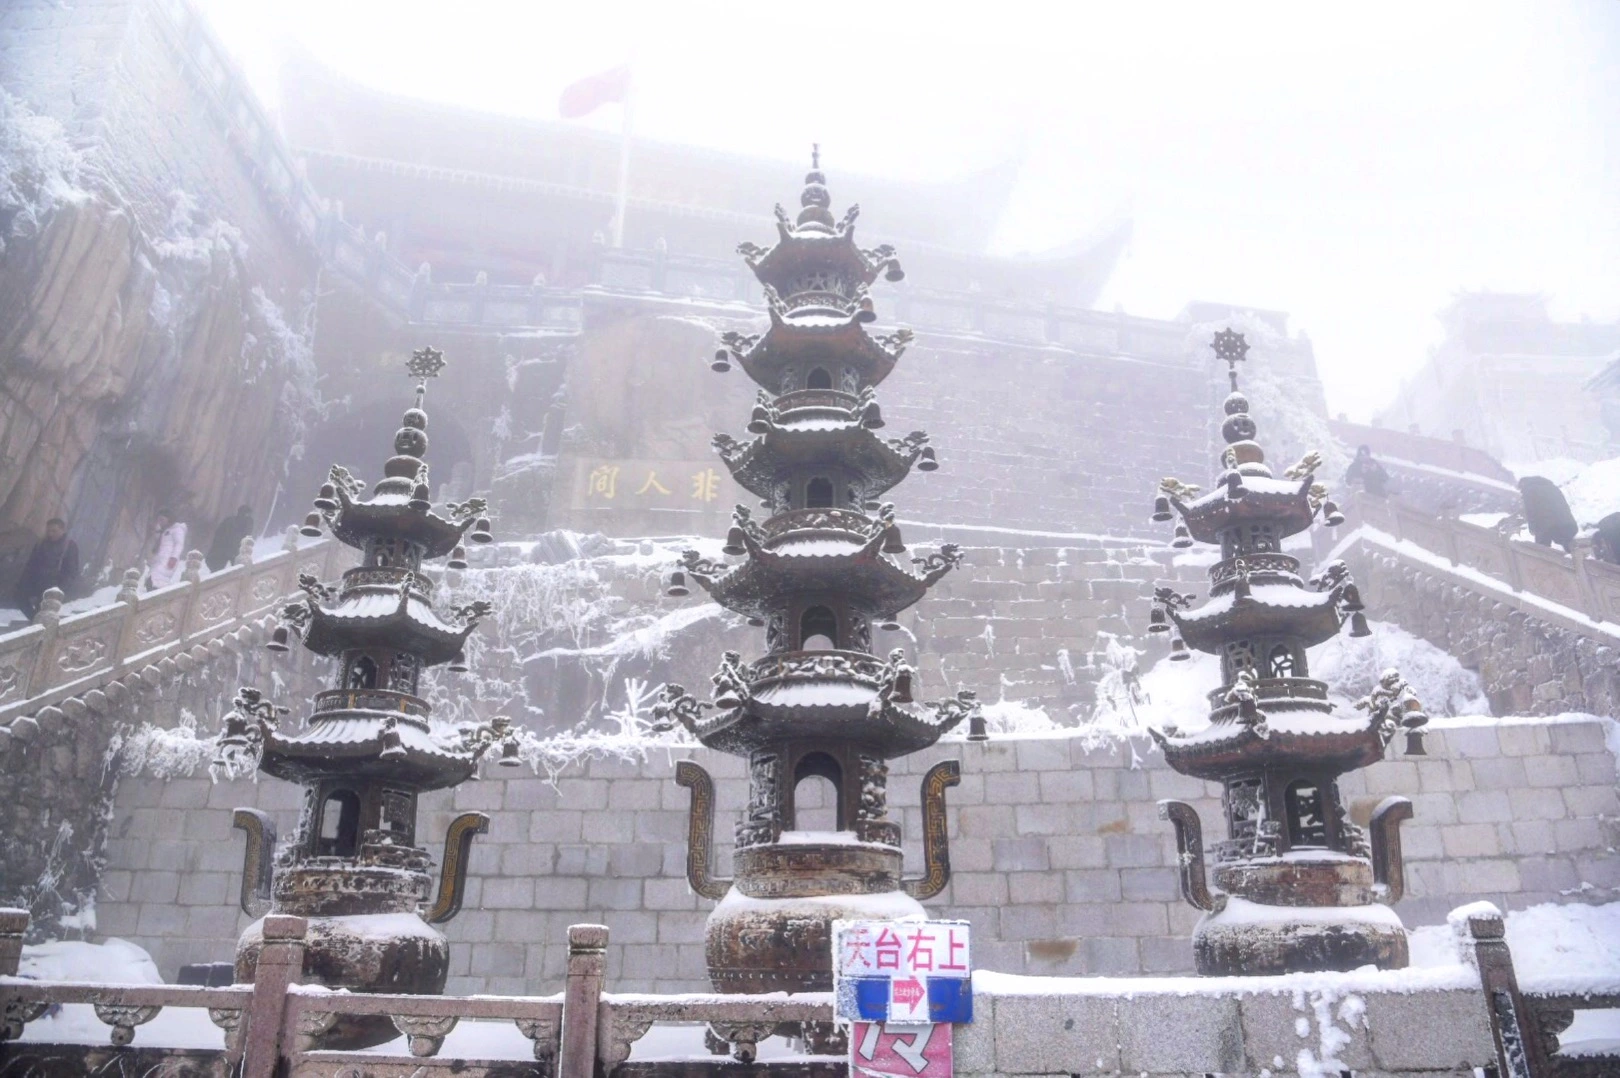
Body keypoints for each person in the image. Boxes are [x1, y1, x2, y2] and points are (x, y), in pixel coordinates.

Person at [14, 518, 79, 620]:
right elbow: (30, 565)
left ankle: (36, 624)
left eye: (54, 531)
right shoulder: (41, 543)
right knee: (19, 597)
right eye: (48, 531)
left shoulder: (69, 546)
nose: (50, 534)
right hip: (36, 581)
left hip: (54, 585)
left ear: (62, 530)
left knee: (42, 610)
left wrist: (61, 588)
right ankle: (34, 621)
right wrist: (22, 582)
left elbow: (72, 571)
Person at [1517, 476, 1577, 553]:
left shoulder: (1529, 490)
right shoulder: (1552, 487)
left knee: (1541, 550)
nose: (1521, 491)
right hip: (1566, 523)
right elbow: (1564, 505)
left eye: (1520, 489)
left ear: (1523, 484)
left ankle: (1543, 563)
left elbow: (1531, 511)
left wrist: (1532, 529)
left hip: (1545, 526)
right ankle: (1579, 562)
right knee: (1570, 548)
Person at [145, 508, 188, 590]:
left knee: (156, 582)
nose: (160, 522)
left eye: (162, 519)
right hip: (159, 561)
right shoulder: (164, 531)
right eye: (159, 520)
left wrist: (174, 558)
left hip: (167, 561)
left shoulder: (177, 529)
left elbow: (179, 544)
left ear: (169, 519)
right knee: (150, 581)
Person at [204, 504, 254, 572]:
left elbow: (246, 537)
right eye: (245, 514)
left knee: (239, 570)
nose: (246, 516)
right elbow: (218, 535)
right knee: (217, 571)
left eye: (248, 515)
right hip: (223, 550)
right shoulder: (229, 522)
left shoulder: (248, 522)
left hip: (234, 550)